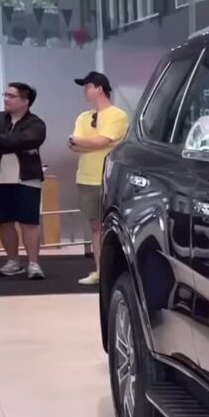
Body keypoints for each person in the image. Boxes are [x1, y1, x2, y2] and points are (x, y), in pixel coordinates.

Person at [0, 82, 47, 279]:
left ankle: (33, 263)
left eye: (11, 96)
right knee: (4, 222)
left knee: (29, 222)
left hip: (26, 178)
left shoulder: (36, 123)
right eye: (6, 95)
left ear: (25, 101)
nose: (6, 99)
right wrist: (10, 142)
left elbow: (27, 140)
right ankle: (13, 261)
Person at [68, 71, 128, 286]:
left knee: (110, 227)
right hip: (86, 177)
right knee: (95, 226)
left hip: (108, 178)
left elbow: (103, 141)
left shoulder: (117, 115)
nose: (85, 91)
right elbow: (73, 145)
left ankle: (115, 271)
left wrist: (82, 142)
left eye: (88, 86)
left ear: (100, 88)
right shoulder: (83, 117)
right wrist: (84, 142)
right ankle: (100, 271)